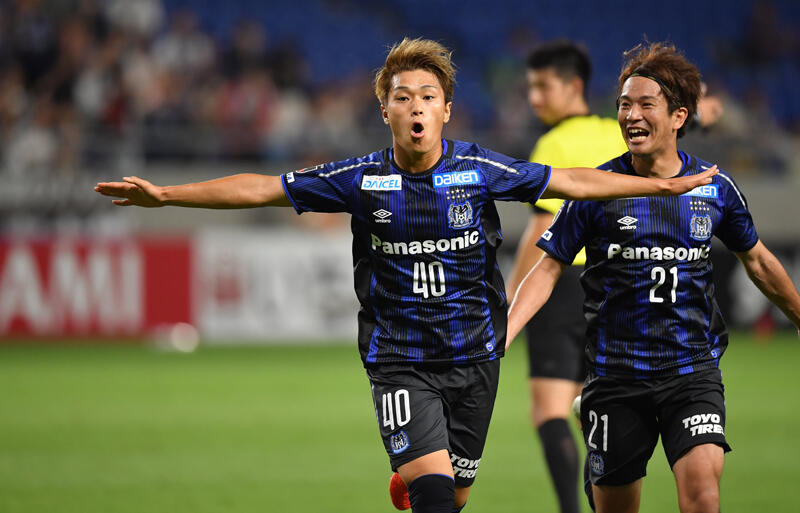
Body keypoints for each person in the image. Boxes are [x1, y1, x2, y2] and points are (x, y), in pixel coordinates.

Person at [95, 38, 717, 513]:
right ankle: (421, 471)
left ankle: (418, 472)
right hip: (400, 363)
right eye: (402, 96)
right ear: (385, 110)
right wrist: (167, 195)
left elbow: (574, 181)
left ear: (446, 110)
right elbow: (262, 187)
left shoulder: (479, 170)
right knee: (438, 500)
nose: (415, 105)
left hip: (475, 360)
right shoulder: (361, 179)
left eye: (426, 96)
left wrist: (660, 186)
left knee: (455, 494)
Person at [506, 42, 800, 513]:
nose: (631, 115)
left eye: (646, 104)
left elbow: (760, 261)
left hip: (692, 372)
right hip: (617, 378)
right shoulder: (597, 190)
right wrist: (504, 332)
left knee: (703, 495)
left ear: (679, 116)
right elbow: (548, 268)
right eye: (625, 104)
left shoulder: (714, 188)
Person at [504, 40, 627, 513]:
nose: (534, 98)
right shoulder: (620, 133)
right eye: (530, 87)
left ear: (573, 86)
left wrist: (512, 297)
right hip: (616, 284)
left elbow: (542, 228)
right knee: (596, 411)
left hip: (562, 285)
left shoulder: (553, 143)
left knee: (550, 411)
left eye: (543, 86)